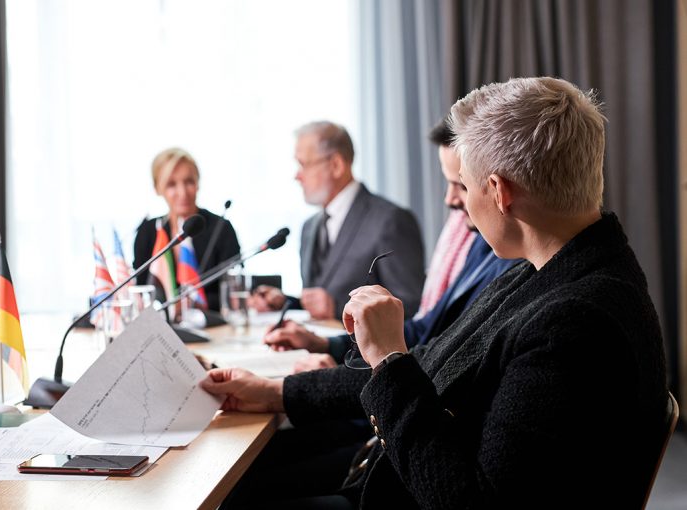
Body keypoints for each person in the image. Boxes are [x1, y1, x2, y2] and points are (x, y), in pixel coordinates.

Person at [202, 77, 669, 509]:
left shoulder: (574, 321)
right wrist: (278, 392)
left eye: (463, 185)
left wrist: (389, 360)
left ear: (499, 192)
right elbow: (434, 360)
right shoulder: (551, 271)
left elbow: (470, 502)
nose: (456, 201)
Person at [265, 120, 517, 374]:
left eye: (461, 185)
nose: (449, 199)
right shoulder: (479, 245)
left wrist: (331, 377)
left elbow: (414, 314)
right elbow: (427, 328)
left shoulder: (392, 220)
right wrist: (322, 343)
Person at [249, 121, 425, 320]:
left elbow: (411, 308)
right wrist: (285, 302)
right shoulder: (309, 227)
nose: (297, 176)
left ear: (336, 165)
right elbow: (320, 305)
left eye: (303, 164)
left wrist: (339, 308)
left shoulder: (390, 220)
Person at [134, 147, 240, 313]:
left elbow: (233, 291)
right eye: (171, 184)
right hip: (161, 325)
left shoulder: (221, 228)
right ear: (157, 188)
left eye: (189, 182)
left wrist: (191, 304)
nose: (182, 192)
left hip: (214, 325)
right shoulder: (148, 232)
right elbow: (140, 291)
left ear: (198, 183)